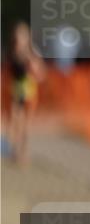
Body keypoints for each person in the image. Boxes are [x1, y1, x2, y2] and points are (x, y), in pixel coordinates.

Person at [6, 21, 47, 166]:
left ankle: (23, 151)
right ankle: (15, 150)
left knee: (26, 124)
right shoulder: (11, 53)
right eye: (17, 37)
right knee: (15, 120)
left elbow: (41, 74)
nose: (19, 40)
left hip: (29, 91)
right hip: (15, 90)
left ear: (27, 38)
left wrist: (33, 69)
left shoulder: (32, 53)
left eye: (22, 36)